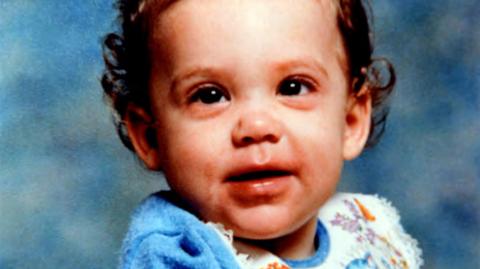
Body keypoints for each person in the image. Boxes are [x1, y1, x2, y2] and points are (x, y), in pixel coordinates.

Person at [102, 0, 423, 268]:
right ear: (150, 136)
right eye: (210, 96)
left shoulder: (362, 232)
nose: (257, 127)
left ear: (350, 121)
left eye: (292, 87)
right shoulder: (178, 254)